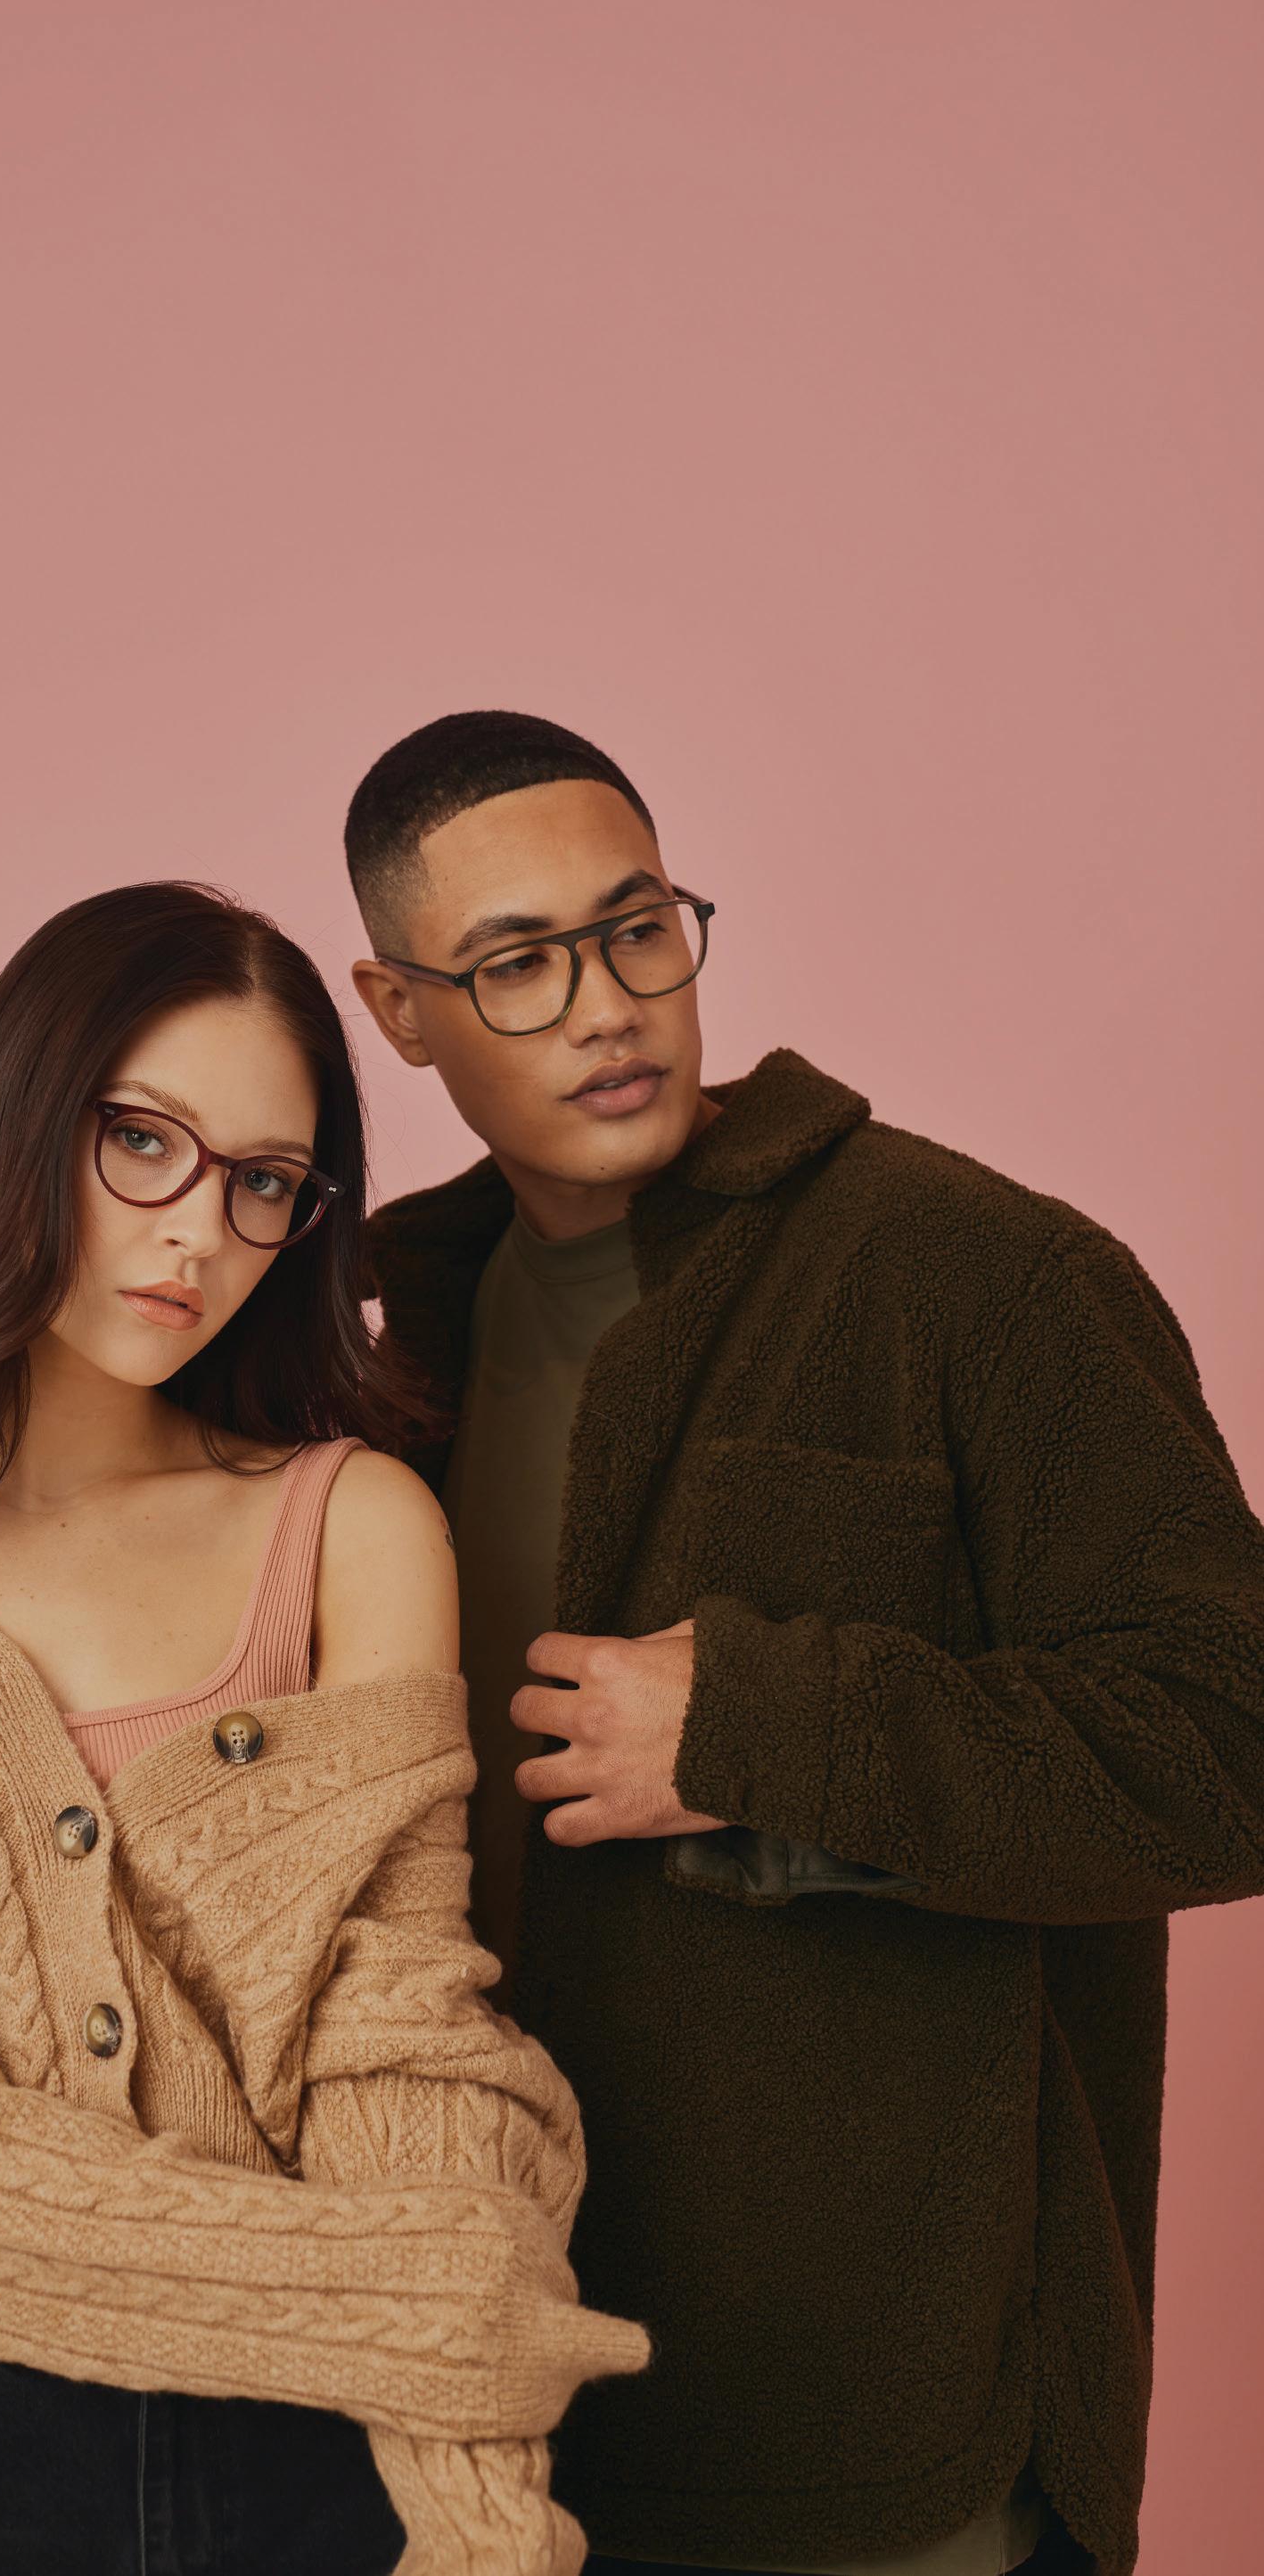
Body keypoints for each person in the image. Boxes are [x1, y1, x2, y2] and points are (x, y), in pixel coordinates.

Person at [348, 710, 1264, 2576]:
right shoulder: (377, 1328)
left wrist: (765, 1726)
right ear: (400, 1010)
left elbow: (1229, 1736)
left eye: (637, 929)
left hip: (894, 2440)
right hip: (486, 2419)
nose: (608, 1007)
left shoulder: (977, 1273)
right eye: (518, 964)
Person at [0, 879, 647, 2576]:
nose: (199, 1234)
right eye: (141, 1141)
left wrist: (479, 2524)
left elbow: (397, 2031)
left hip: (323, 2458)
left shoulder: (351, 1523)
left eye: (263, 1182)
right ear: (21, 1116)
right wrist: (398, 2300)